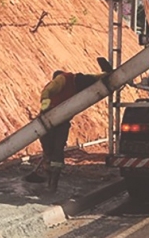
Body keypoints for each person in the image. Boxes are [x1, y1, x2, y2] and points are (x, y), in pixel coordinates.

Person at [27, 59, 112, 191]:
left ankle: (52, 179)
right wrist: (47, 109)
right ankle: (52, 178)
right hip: (53, 120)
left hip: (55, 120)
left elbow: (46, 93)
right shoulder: (67, 81)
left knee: (53, 150)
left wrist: (46, 108)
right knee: (53, 151)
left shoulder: (64, 79)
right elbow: (91, 78)